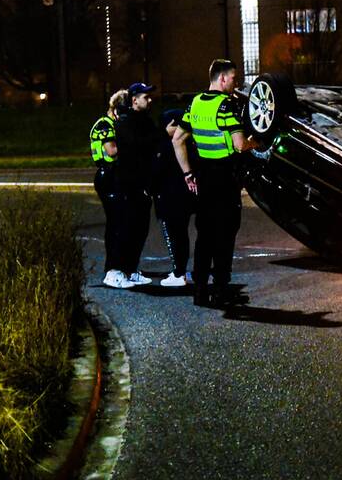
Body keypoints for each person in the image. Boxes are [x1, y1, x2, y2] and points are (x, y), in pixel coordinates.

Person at [172, 59, 257, 307]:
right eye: (233, 78)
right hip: (225, 178)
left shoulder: (195, 103)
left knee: (205, 235)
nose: (236, 82)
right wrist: (256, 142)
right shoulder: (226, 106)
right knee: (225, 234)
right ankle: (221, 289)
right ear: (221, 78)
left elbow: (177, 139)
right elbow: (240, 144)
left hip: (203, 177)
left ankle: (200, 290)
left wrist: (188, 174)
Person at [108, 82, 159, 289]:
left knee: (140, 229)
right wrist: (162, 134)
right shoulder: (125, 123)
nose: (149, 99)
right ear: (134, 99)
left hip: (142, 185)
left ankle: (129, 269)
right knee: (127, 228)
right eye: (145, 97)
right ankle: (115, 271)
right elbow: (139, 144)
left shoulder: (144, 121)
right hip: (128, 184)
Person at [152, 108, 197, 287]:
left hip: (169, 199)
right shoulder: (190, 145)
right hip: (185, 198)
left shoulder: (164, 146)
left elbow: (156, 172)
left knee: (173, 236)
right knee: (183, 235)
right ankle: (183, 271)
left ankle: (178, 273)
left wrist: (150, 189)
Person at [92, 89, 129, 288]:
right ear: (116, 110)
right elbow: (111, 150)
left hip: (114, 175)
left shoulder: (111, 123)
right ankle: (112, 270)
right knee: (115, 224)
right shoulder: (105, 125)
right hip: (108, 175)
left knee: (120, 223)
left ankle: (119, 267)